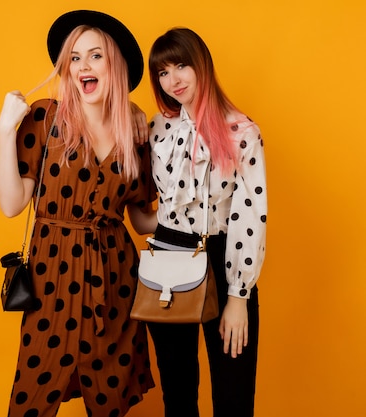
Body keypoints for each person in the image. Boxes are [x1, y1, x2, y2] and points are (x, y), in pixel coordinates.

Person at [0, 10, 157, 417]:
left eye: (96, 56)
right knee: (33, 396)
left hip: (116, 283)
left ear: (115, 65)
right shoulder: (45, 118)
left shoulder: (134, 134)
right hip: (53, 279)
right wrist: (3, 133)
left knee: (110, 399)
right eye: (75, 57)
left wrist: (195, 211)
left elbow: (141, 221)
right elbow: (12, 204)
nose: (84, 66)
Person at [140, 28, 267, 417]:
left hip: (223, 258)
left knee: (233, 396)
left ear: (202, 66)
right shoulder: (157, 129)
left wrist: (238, 296)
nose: (172, 80)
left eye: (181, 66)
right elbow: (151, 206)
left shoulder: (241, 131)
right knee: (177, 394)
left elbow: (251, 213)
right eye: (162, 72)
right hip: (167, 256)